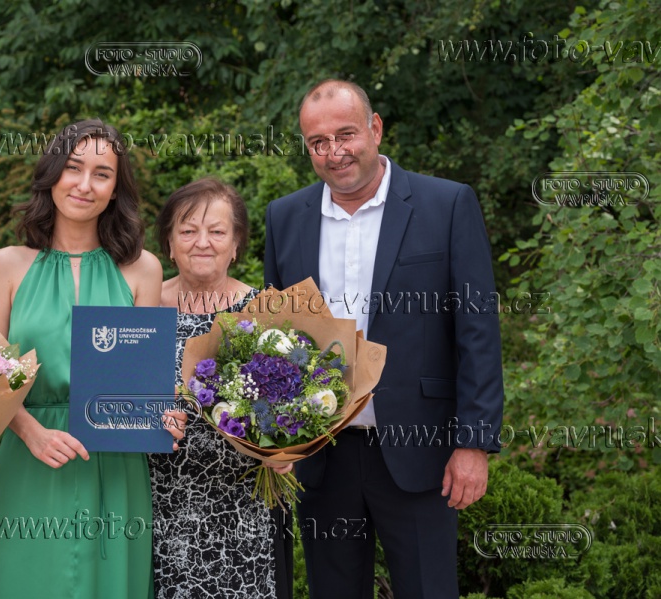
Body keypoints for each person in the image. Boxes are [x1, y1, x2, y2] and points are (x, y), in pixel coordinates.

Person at [264, 79, 504, 599]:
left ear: (375, 128)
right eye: (318, 142)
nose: (334, 152)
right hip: (322, 454)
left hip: (421, 451)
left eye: (345, 134)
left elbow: (478, 332)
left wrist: (474, 442)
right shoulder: (284, 218)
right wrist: (277, 437)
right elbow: (276, 338)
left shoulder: (447, 204)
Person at [0, 119, 183, 598]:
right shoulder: (5, 265)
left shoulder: (143, 270)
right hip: (29, 456)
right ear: (52, 174)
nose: (85, 184)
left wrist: (163, 415)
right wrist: (30, 431)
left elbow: (142, 379)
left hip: (114, 463)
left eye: (102, 174)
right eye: (73, 168)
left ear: (116, 190)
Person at [148, 177, 293, 599]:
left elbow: (296, 407)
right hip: (158, 505)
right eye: (187, 230)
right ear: (169, 244)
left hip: (248, 507)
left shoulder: (266, 310)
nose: (202, 243)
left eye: (216, 231)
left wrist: (287, 452)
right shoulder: (141, 307)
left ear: (236, 244)